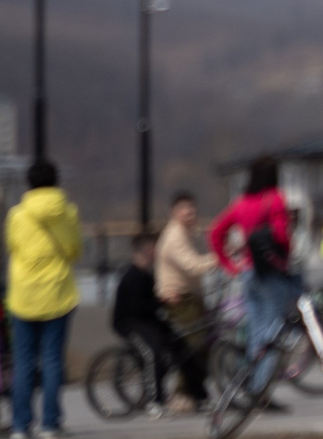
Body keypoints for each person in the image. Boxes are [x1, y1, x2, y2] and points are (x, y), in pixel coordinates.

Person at [3, 159, 81, 439]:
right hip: (58, 294)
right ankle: (50, 424)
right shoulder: (68, 213)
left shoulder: (16, 215)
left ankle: (20, 426)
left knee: (23, 363)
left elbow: (13, 248)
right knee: (52, 361)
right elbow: (74, 250)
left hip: (23, 296)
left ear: (29, 183)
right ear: (56, 181)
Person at [210, 156, 299, 396]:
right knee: (273, 333)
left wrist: (229, 265)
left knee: (256, 332)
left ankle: (250, 385)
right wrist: (287, 253)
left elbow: (216, 232)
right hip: (271, 274)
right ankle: (260, 391)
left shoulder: (241, 203)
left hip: (248, 273)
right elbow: (281, 235)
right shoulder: (275, 198)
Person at [111, 231, 199, 412]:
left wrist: (166, 299)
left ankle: (199, 395)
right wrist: (162, 300)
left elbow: (151, 303)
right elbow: (138, 308)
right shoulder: (131, 276)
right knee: (153, 354)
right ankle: (154, 401)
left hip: (149, 320)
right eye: (152, 249)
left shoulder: (147, 275)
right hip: (129, 323)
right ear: (144, 252)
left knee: (182, 347)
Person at [154, 188, 217, 400]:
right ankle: (182, 393)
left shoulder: (189, 232)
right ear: (174, 212)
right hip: (178, 299)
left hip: (191, 296)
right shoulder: (175, 236)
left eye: (192, 208)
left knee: (204, 342)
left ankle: (195, 390)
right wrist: (220, 258)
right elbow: (193, 266)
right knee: (193, 344)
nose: (190, 212)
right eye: (184, 209)